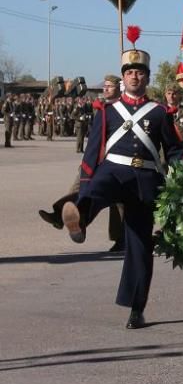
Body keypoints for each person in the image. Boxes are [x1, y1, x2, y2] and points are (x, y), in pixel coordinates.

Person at [60, 43, 183, 329]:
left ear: (147, 78)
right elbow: (92, 152)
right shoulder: (107, 111)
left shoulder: (159, 112)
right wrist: (85, 179)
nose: (134, 77)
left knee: (140, 247)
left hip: (145, 182)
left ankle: (136, 309)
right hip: (114, 171)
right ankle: (78, 221)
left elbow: (175, 150)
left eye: (139, 73)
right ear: (123, 78)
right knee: (96, 189)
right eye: (129, 72)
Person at [38, 74, 127, 252]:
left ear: (119, 88)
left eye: (110, 86)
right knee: (77, 189)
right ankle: (59, 216)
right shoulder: (101, 108)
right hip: (92, 160)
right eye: (105, 85)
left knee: (118, 203)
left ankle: (120, 239)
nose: (106, 88)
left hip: (112, 161)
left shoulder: (125, 110)